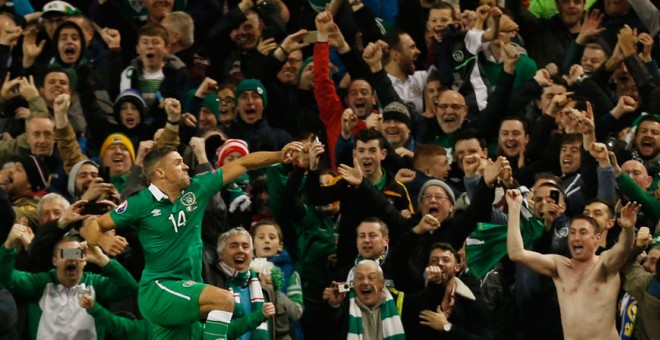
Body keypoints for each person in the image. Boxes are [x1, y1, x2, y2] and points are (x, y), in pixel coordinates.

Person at [80, 99, 301, 339]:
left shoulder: (197, 188)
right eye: (178, 163)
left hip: (187, 289)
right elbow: (92, 227)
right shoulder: (140, 203)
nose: (186, 166)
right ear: (160, 173)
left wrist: (280, 154)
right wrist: (102, 241)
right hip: (159, 288)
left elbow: (243, 163)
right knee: (224, 299)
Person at [506, 188, 638, 339]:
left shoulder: (605, 265)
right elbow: (516, 253)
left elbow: (623, 248)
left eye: (583, 232)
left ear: (596, 238)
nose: (576, 238)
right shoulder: (560, 266)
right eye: (572, 232)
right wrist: (514, 209)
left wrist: (628, 229)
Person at [0, 233, 138, 339]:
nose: (71, 258)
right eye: (65, 254)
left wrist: (102, 259)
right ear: (55, 261)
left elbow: (130, 288)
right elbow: (7, 278)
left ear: (84, 261)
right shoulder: (40, 284)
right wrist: (8, 245)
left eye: (76, 253)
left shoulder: (96, 285)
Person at [321, 260, 405, 339]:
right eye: (359, 278)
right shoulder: (344, 306)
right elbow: (323, 330)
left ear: (381, 284)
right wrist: (332, 306)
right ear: (353, 284)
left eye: (371, 277)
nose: (365, 282)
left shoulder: (397, 302)